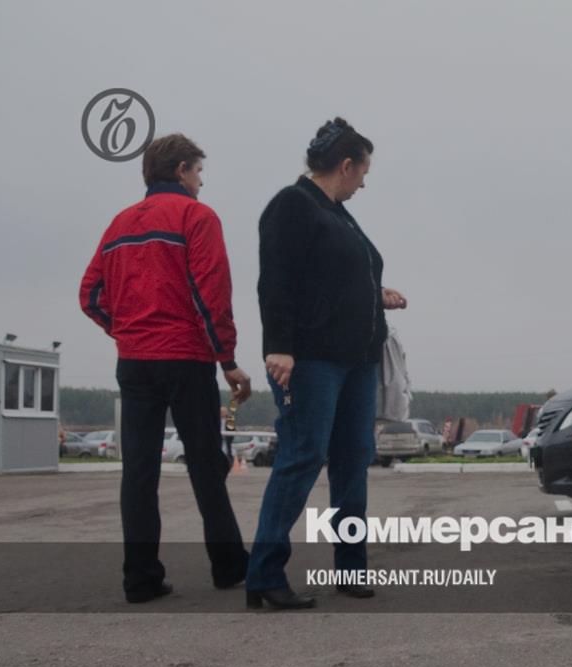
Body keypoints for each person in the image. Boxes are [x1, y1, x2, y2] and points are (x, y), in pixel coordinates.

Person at [78, 134, 253, 603]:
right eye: (198, 171)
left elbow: (90, 295)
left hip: (134, 362)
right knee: (206, 464)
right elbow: (210, 293)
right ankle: (229, 566)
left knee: (138, 472)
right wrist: (227, 359)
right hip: (186, 358)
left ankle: (140, 579)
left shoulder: (118, 224)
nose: (201, 182)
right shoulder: (197, 216)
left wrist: (126, 330)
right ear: (180, 170)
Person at [247, 117, 407, 610]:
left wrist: (376, 293)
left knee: (353, 460)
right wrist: (278, 346)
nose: (364, 183)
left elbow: (333, 275)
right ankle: (264, 575)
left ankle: (351, 566)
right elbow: (276, 281)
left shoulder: (338, 214)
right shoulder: (292, 205)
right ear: (346, 165)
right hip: (312, 361)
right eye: (363, 173)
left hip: (357, 361)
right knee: (302, 456)